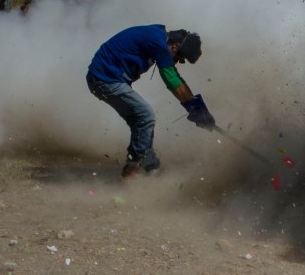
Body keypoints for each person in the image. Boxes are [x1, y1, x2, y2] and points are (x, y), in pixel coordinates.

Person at [86, 26, 215, 178]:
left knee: (139, 123)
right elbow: (172, 81)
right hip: (105, 79)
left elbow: (176, 77)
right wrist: (196, 111)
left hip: (104, 78)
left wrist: (199, 109)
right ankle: (133, 169)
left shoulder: (159, 37)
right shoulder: (158, 44)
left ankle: (150, 167)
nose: (177, 61)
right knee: (146, 115)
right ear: (174, 46)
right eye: (179, 57)